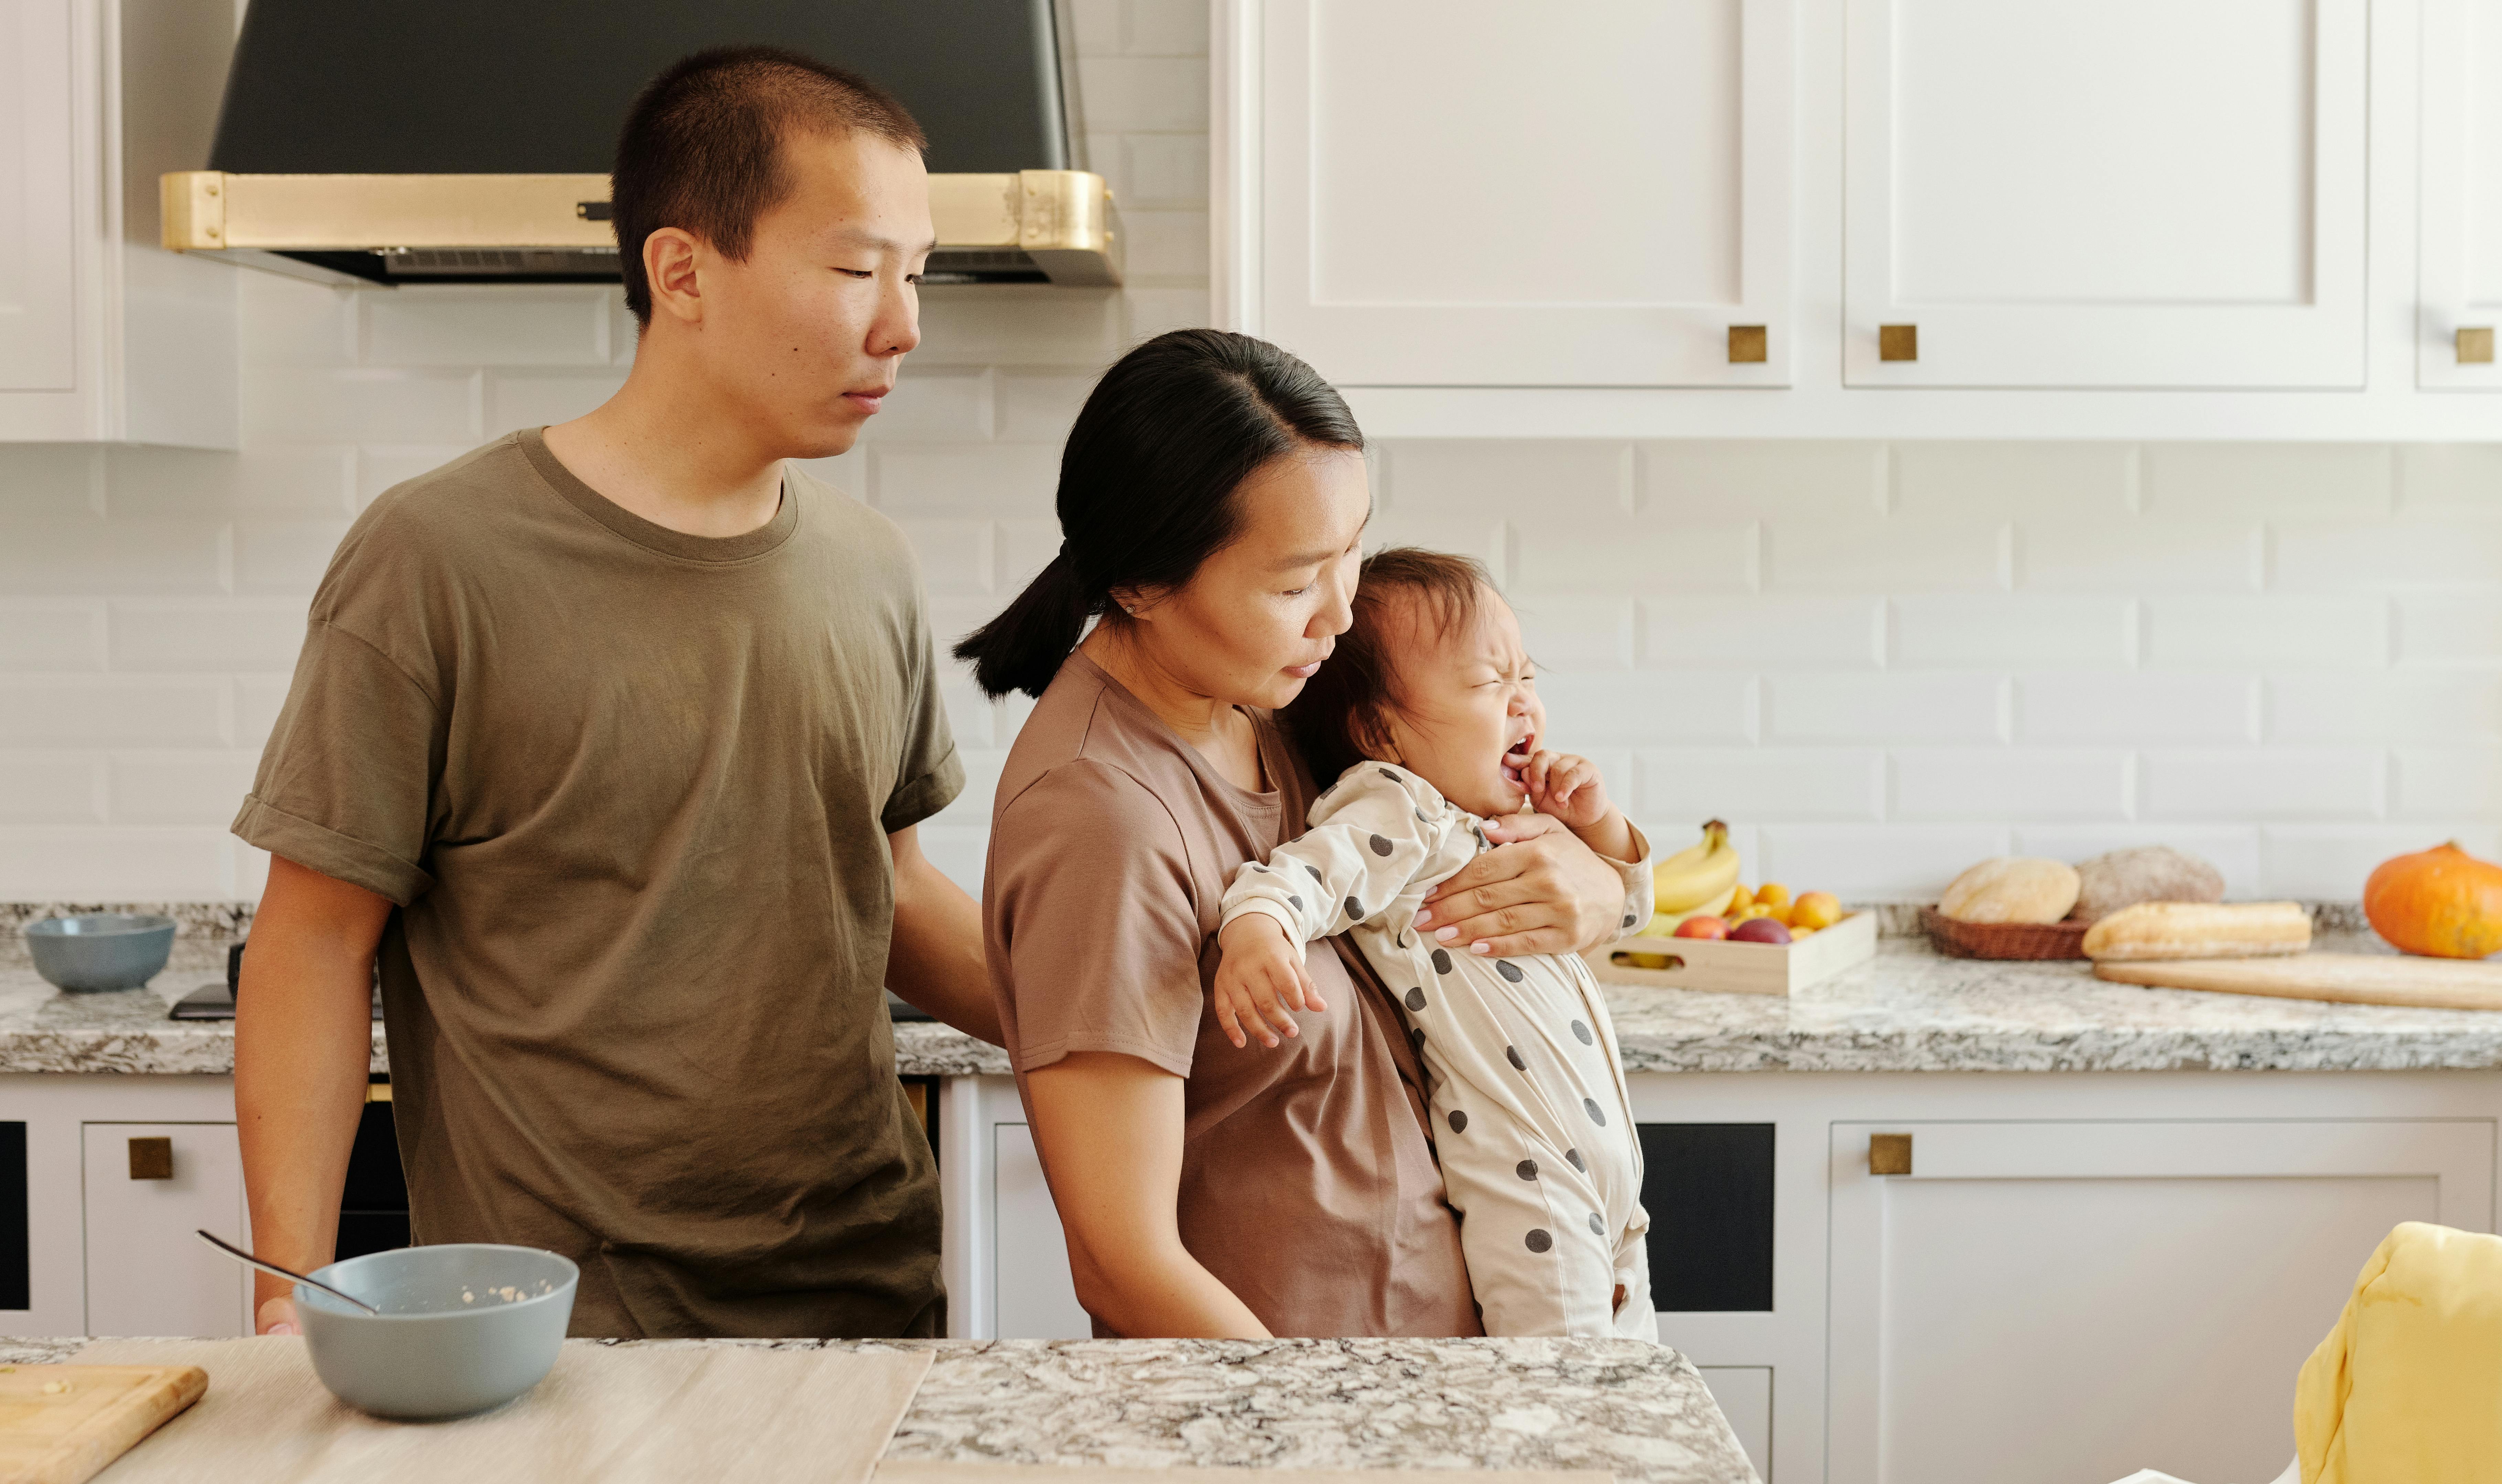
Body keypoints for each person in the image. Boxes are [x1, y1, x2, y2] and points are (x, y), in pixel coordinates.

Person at [230, 46, 996, 1339]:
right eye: (860, 269)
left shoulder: (870, 564)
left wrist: (1148, 1031)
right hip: (555, 1328)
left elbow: (897, 886)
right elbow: (313, 938)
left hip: (866, 1298)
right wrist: (283, 1289)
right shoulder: (437, 556)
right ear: (682, 271)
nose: (904, 324)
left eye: (918, 274)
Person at [958, 328, 1643, 1338]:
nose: (1340, 615)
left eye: (1350, 553)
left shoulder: (1269, 703)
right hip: (1308, 1404)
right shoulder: (1101, 817)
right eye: (1292, 585)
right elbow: (1123, 1264)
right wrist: (1311, 1430)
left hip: (1433, 1375)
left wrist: (1599, 883)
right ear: (1143, 583)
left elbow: (1450, 837)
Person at [1213, 547, 1657, 1340]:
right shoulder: (1397, 810)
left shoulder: (1507, 823)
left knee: (1619, 1420)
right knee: (1561, 1423)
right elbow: (1302, 876)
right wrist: (1258, 928)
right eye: (1491, 683)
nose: (1525, 705)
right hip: (1531, 1190)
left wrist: (1595, 825)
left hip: (1613, 1190)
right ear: (1380, 730)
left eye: (1527, 676)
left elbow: (1628, 914)